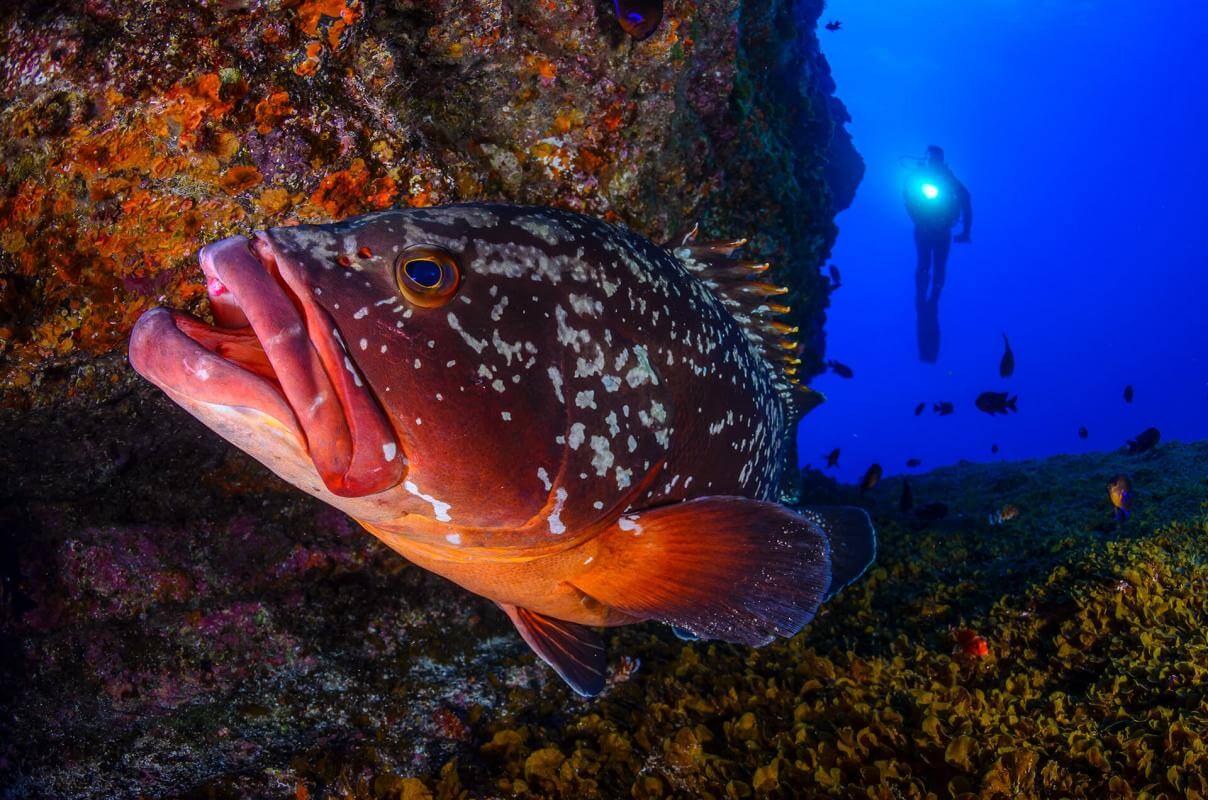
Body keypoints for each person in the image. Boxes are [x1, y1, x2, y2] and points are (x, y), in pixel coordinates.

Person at [904, 145, 972, 361]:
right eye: (931, 159)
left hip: (943, 230)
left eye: (937, 159)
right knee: (924, 262)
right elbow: (907, 198)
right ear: (926, 159)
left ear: (941, 161)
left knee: (940, 266)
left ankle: (935, 294)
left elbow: (966, 201)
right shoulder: (916, 177)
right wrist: (919, 220)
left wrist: (966, 231)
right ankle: (921, 295)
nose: (933, 163)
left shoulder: (949, 179)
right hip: (923, 229)